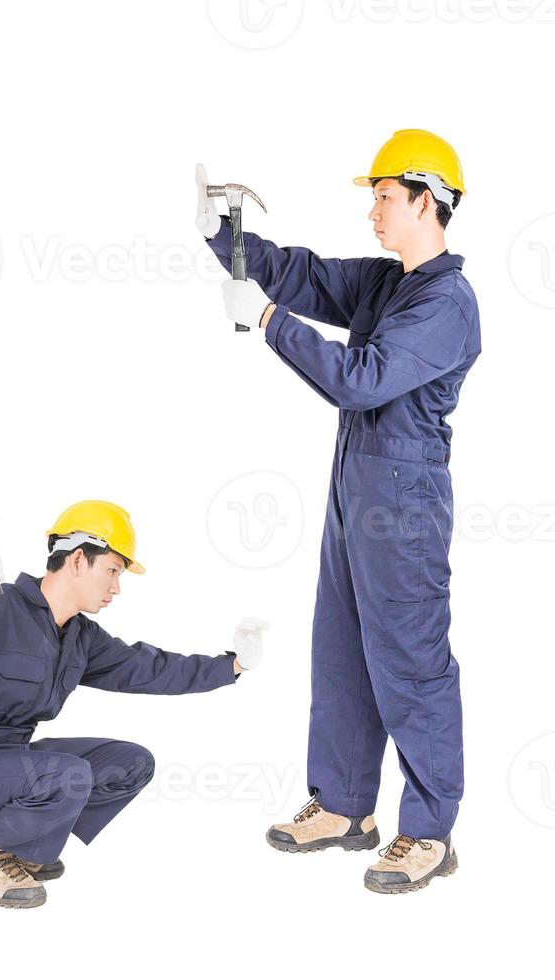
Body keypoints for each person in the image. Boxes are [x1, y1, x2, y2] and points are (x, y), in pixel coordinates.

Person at [205, 129, 476, 894]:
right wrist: (223, 239)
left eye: (384, 198)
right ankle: (346, 807)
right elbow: (305, 275)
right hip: (355, 487)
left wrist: (267, 324)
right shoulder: (389, 284)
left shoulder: (449, 304)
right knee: (342, 652)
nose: (374, 213)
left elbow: (363, 379)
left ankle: (427, 832)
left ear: (427, 200)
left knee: (413, 663)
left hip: (405, 504)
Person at [0, 501, 256, 908]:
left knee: (131, 762)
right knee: (69, 774)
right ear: (77, 560)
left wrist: (232, 666)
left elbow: (149, 668)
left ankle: (19, 846)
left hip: (13, 765)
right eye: (112, 571)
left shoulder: (81, 638)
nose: (116, 587)